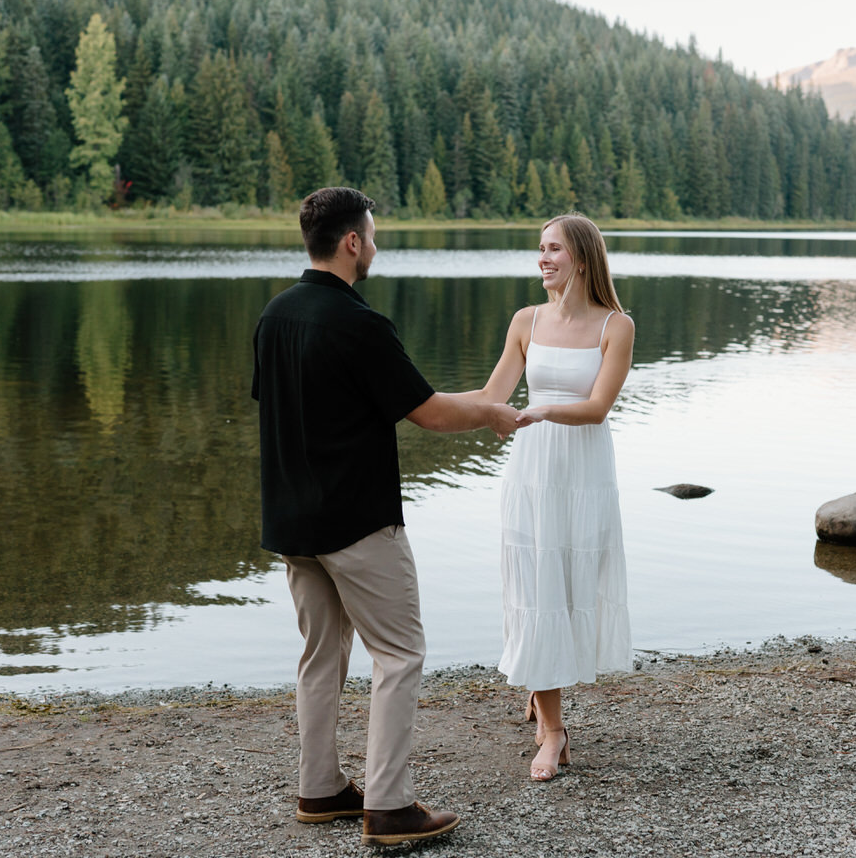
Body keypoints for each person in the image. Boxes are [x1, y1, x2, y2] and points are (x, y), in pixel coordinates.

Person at [252, 186, 519, 846]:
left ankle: (320, 790)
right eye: (371, 235)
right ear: (351, 243)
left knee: (320, 656)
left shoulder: (275, 315)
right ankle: (390, 807)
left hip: (294, 523)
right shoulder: (358, 324)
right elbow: (428, 412)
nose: (375, 245)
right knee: (399, 654)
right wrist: (491, 409)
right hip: (357, 522)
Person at [451, 213, 635, 781]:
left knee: (570, 585)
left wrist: (541, 409)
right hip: (532, 473)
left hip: (583, 474)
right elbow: (492, 395)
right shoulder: (525, 321)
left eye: (553, 249)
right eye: (539, 249)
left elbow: (598, 407)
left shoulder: (616, 326)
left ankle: (543, 692)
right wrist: (415, 403)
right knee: (537, 589)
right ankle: (553, 731)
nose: (542, 259)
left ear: (581, 257)